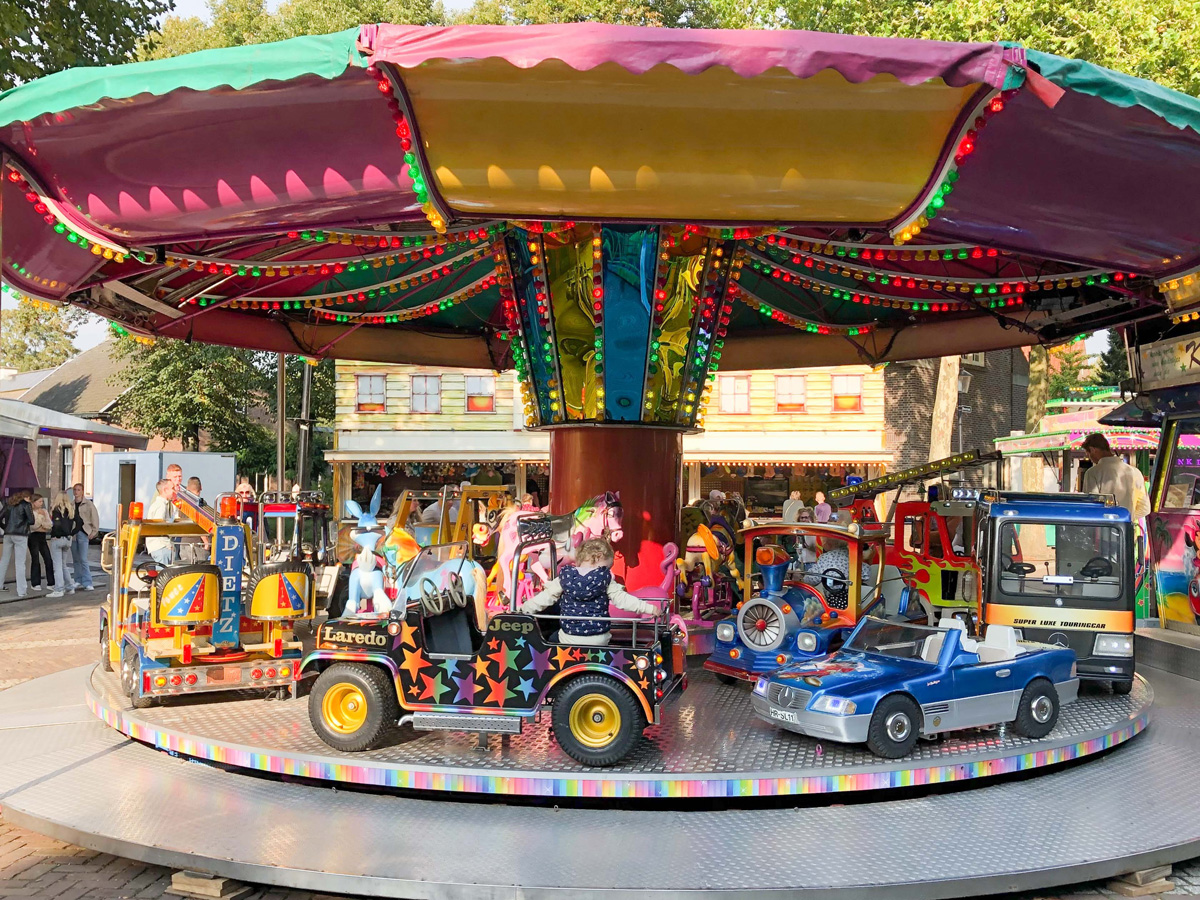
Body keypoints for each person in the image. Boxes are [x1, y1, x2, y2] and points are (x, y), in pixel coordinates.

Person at [519, 537, 659, 646]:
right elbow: (624, 600)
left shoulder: (565, 577)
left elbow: (544, 599)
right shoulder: (605, 579)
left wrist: (523, 609)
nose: (606, 570)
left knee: (550, 640)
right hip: (599, 639)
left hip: (569, 637)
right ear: (602, 560)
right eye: (608, 566)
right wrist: (649, 608)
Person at [1081, 433, 1151, 518]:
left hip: (1104, 525)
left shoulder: (1092, 473)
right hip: (1127, 524)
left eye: (1088, 454)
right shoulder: (1135, 472)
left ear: (1093, 450)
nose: (1089, 458)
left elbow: (1091, 506)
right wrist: (1127, 517)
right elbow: (1145, 508)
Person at [0, 491, 35, 598]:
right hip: (21, 534)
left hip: (8, 534)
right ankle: (21, 590)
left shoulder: (8, 504)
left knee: (4, 560)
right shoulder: (26, 505)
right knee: (20, 563)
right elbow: (32, 520)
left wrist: (6, 527)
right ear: (26, 497)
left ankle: (0, 585)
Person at [48, 492, 78, 595]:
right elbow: (79, 523)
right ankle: (69, 586)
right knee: (63, 565)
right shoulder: (71, 510)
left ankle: (59, 589)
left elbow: (57, 525)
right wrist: (71, 533)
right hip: (68, 539)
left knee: (57, 566)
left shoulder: (56, 510)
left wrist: (56, 535)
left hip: (58, 539)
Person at [71, 483, 99, 590]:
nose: (76, 492)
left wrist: (93, 532)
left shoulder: (88, 504)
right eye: (75, 490)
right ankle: (77, 580)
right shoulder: (71, 504)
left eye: (78, 490)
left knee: (83, 558)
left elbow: (94, 518)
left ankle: (87, 582)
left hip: (84, 532)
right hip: (74, 533)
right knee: (76, 559)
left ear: (82, 491)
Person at [145, 479, 176, 567]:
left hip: (158, 546)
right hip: (161, 547)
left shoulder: (160, 504)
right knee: (164, 573)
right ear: (165, 490)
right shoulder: (161, 506)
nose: (174, 491)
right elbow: (159, 527)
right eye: (172, 488)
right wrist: (168, 545)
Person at [179, 476, 210, 564]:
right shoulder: (199, 503)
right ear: (201, 488)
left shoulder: (183, 502)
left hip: (184, 543)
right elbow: (200, 522)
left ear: (187, 488)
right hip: (197, 545)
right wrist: (206, 542)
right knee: (200, 569)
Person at [28, 494, 55, 593]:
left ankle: (51, 582)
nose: (41, 503)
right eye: (39, 501)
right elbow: (33, 526)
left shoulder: (44, 511)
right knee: (35, 559)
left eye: (42, 501)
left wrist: (43, 525)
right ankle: (35, 583)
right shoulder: (31, 512)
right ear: (33, 502)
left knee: (48, 559)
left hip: (42, 537)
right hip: (33, 537)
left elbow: (50, 524)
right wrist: (41, 520)